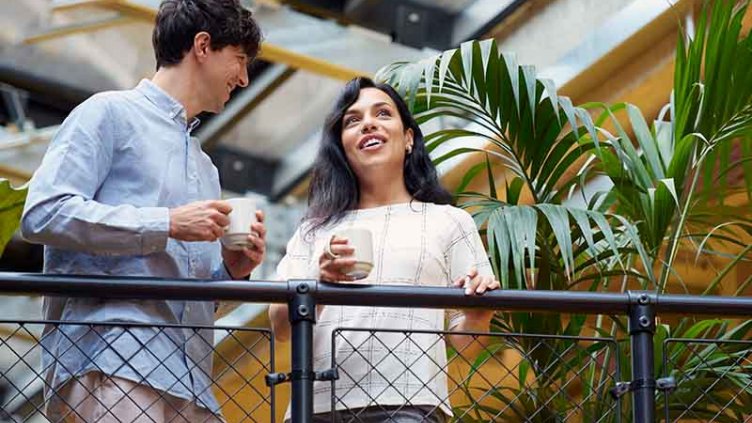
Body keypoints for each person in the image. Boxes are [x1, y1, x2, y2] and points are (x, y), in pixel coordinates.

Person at [20, 1, 264, 421]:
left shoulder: (205, 167)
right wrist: (167, 223)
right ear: (202, 46)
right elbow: (42, 212)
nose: (243, 79)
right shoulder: (108, 113)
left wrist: (234, 270)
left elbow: (193, 296)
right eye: (239, 60)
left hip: (191, 380)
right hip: (111, 360)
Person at [269, 77, 500, 422]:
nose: (368, 124)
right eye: (352, 120)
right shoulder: (314, 230)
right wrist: (318, 285)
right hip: (315, 406)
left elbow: (465, 345)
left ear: (408, 139)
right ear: (342, 146)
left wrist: (480, 316)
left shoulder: (449, 221)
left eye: (383, 114)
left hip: (409, 403)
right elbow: (280, 328)